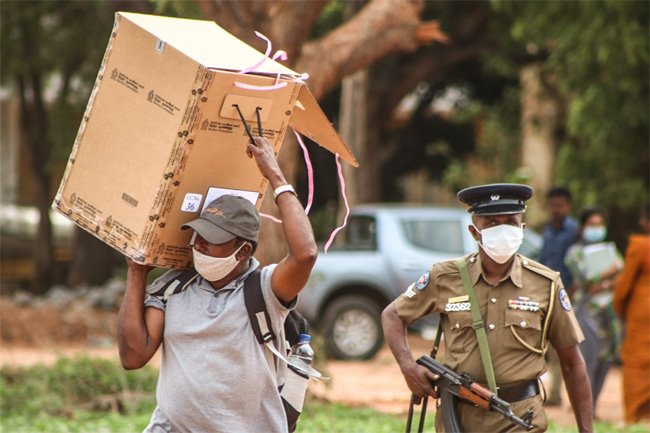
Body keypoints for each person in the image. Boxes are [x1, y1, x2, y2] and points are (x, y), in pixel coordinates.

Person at [117, 136, 318, 433]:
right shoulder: (172, 288)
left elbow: (305, 255)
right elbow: (133, 356)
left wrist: (275, 176)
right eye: (197, 235)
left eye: (212, 240)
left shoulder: (264, 290)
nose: (198, 245)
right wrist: (137, 273)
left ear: (244, 251)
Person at [382, 183, 593, 433]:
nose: (503, 231)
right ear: (474, 231)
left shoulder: (546, 284)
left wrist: (586, 430)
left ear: (522, 228)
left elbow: (572, 363)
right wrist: (409, 368)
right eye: (492, 223)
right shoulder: (445, 277)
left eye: (511, 223)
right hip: (458, 418)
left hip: (521, 417)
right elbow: (393, 315)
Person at [565, 207, 622, 413]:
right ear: (582, 228)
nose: (596, 229)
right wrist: (611, 273)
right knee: (588, 359)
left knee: (605, 360)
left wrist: (604, 283)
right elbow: (586, 280)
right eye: (592, 225)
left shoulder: (611, 249)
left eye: (599, 225)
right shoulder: (575, 252)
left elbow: (622, 276)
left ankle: (593, 406)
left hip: (608, 314)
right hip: (585, 312)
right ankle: (582, 408)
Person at [538, 186, 580, 407]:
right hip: (545, 294)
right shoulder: (548, 230)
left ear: (568, 206)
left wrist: (571, 292)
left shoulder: (575, 231)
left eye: (560, 205)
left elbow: (578, 265)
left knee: (565, 345)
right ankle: (550, 394)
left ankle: (563, 395)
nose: (557, 209)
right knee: (545, 345)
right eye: (553, 205)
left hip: (565, 296)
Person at [613, 205, 650, 424]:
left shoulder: (641, 245)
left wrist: (619, 307)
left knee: (637, 363)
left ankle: (635, 416)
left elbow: (624, 284)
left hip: (643, 310)